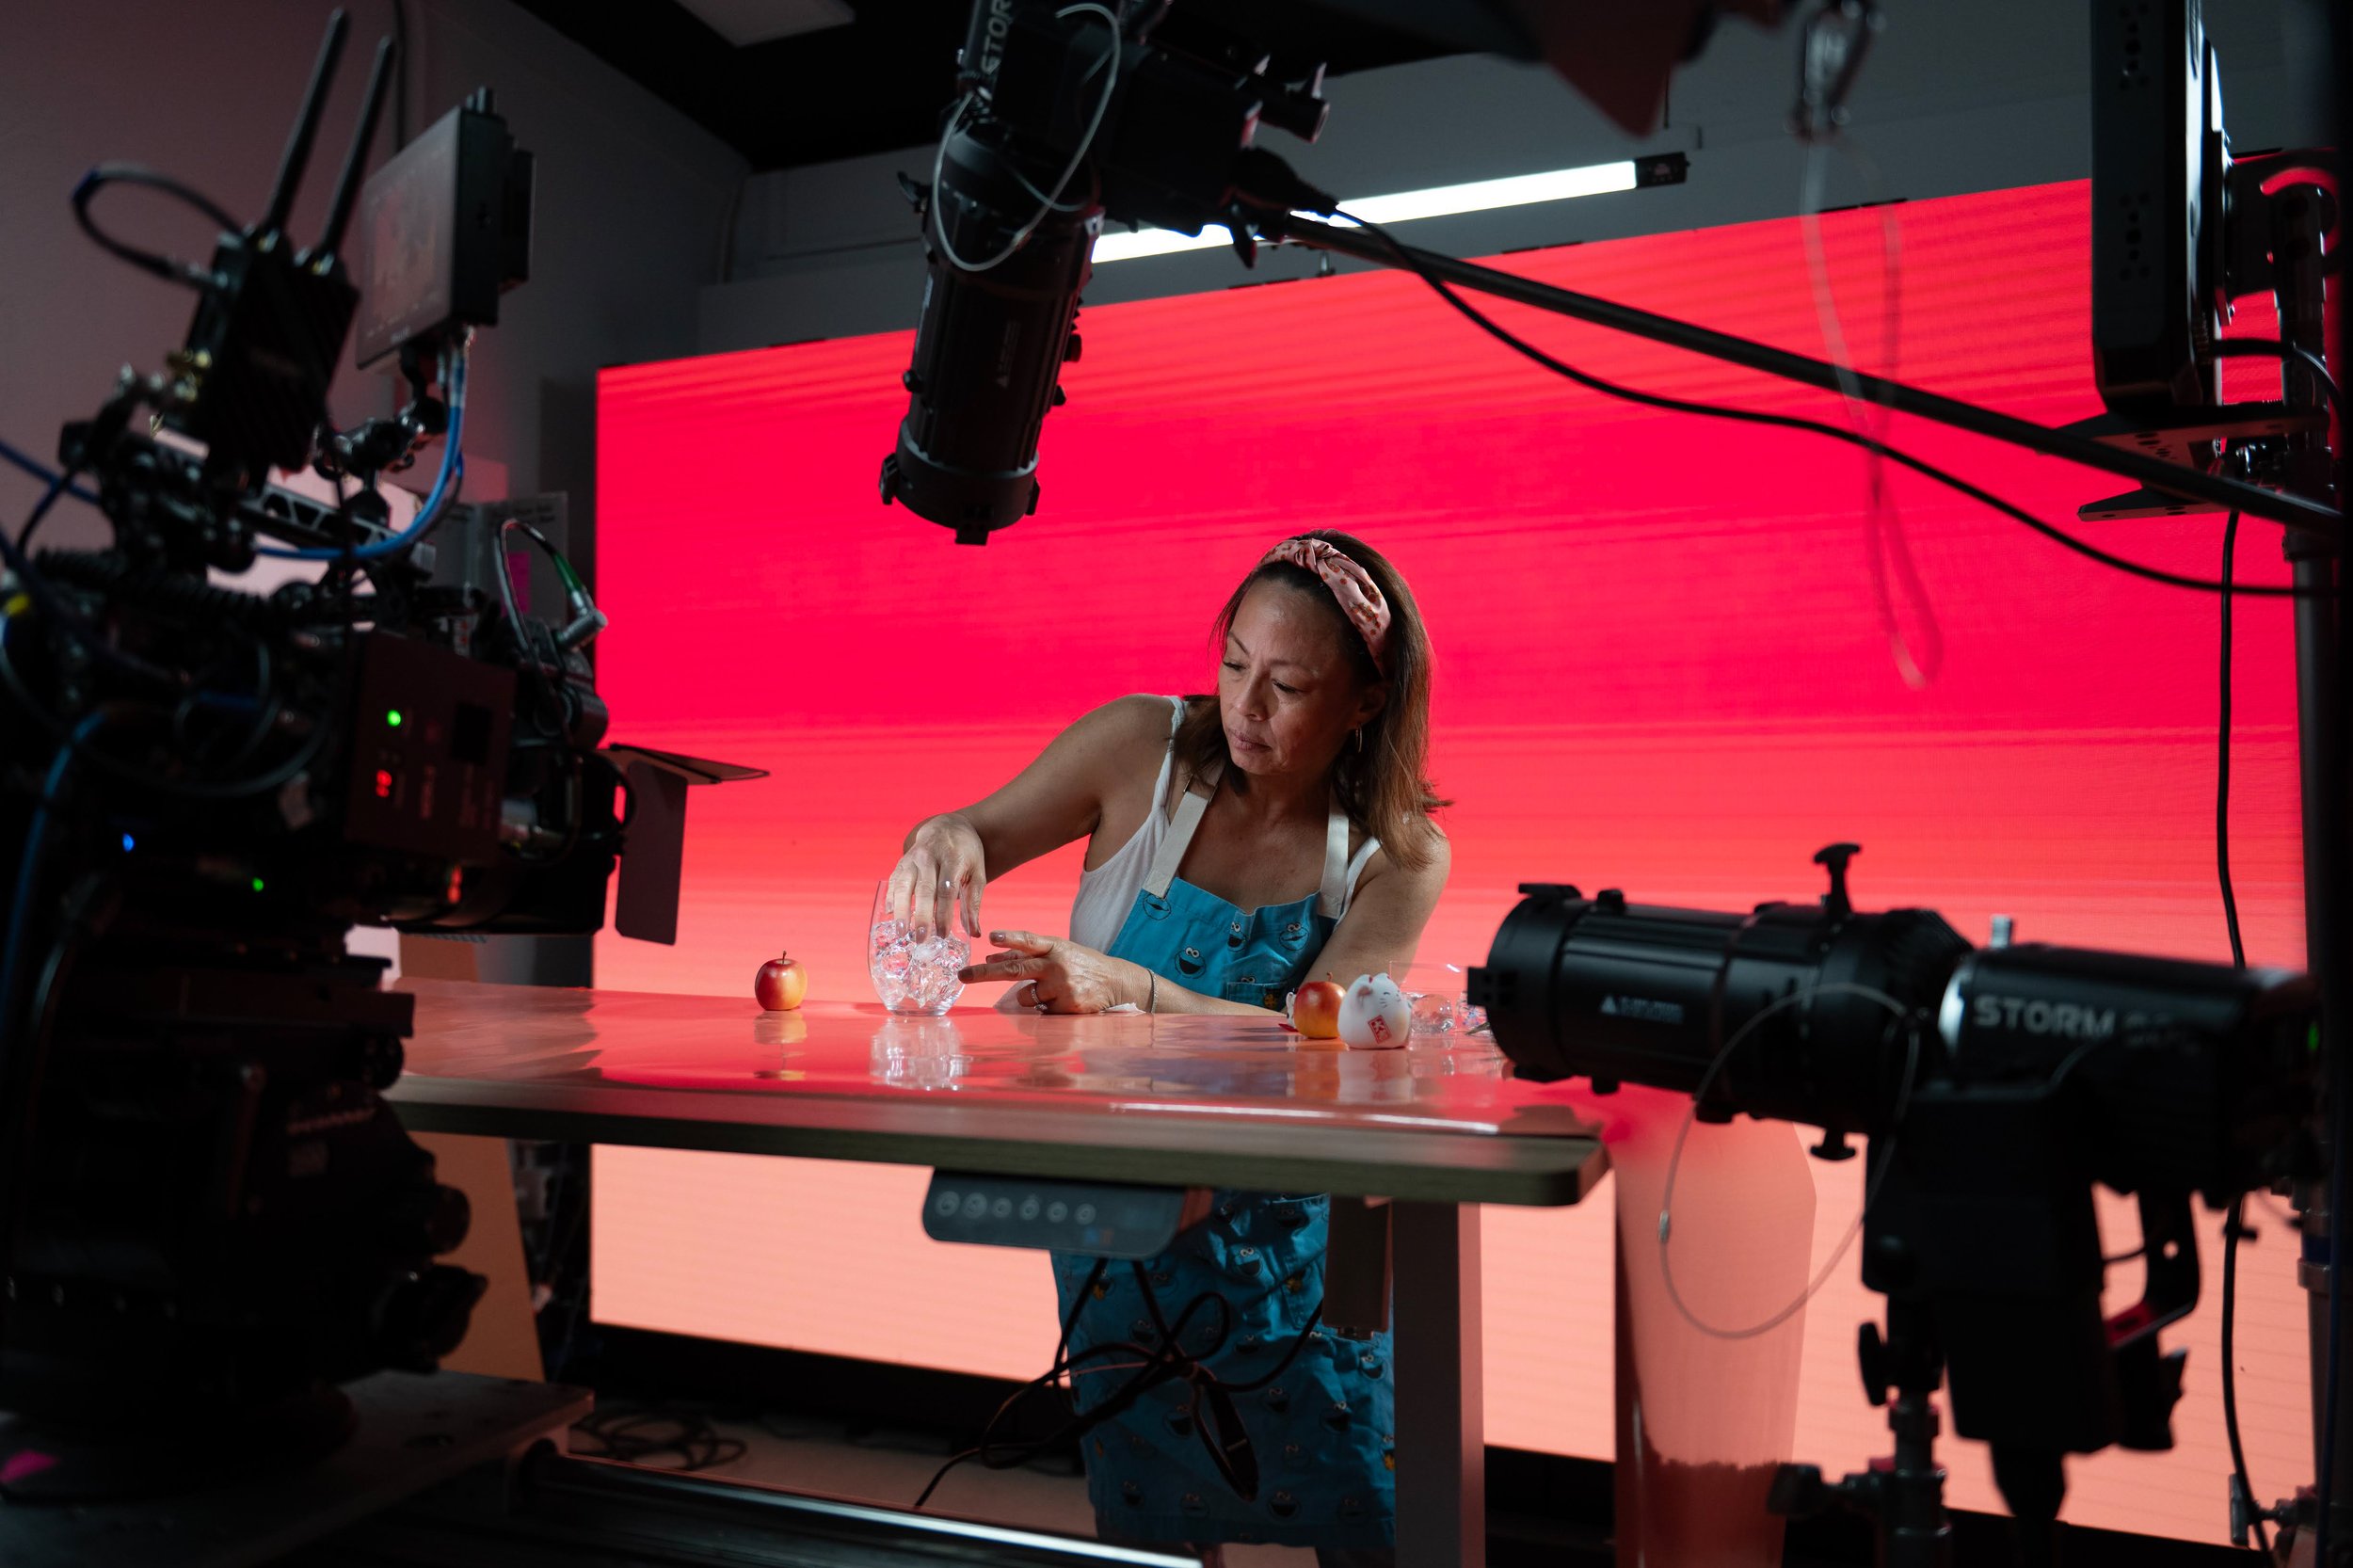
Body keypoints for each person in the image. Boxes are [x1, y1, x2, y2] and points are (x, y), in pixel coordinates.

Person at [883, 531, 1449, 1563]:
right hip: (1124, 1226)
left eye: (1287, 684)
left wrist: (1129, 990)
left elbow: (1319, 1047)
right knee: (1146, 1528)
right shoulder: (1135, 750)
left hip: (1294, 1248)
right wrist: (940, 843)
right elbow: (971, 829)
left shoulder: (1394, 853)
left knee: (1363, 1508)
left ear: (1365, 703)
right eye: (1234, 664)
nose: (1246, 706)